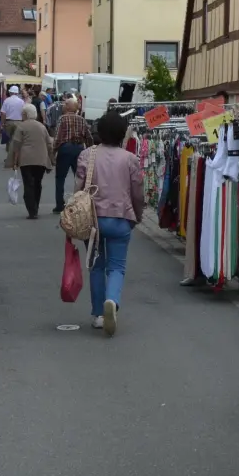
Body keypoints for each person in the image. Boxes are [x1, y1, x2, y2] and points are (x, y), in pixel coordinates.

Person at [76, 111, 145, 335]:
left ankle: (97, 314)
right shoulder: (130, 159)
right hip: (121, 218)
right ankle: (112, 301)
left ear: (99, 132)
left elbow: (78, 189)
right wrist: (137, 215)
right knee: (117, 267)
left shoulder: (87, 155)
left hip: (92, 220)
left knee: (96, 266)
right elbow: (137, 193)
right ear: (122, 133)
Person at [5, 104, 54, 219]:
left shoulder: (21, 127)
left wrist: (14, 162)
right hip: (41, 159)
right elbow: (49, 143)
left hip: (26, 159)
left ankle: (32, 210)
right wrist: (51, 159)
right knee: (38, 183)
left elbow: (16, 145)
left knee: (28, 184)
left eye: (22, 114)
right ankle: (35, 206)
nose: (21, 116)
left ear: (26, 114)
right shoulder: (42, 126)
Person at [50, 97, 93, 214]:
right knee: (80, 177)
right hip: (79, 148)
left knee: (60, 178)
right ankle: (81, 203)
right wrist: (90, 149)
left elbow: (58, 137)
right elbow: (88, 136)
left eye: (65, 104)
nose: (63, 106)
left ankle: (59, 204)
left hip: (65, 148)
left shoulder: (62, 119)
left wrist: (53, 152)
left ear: (68, 107)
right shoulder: (81, 119)